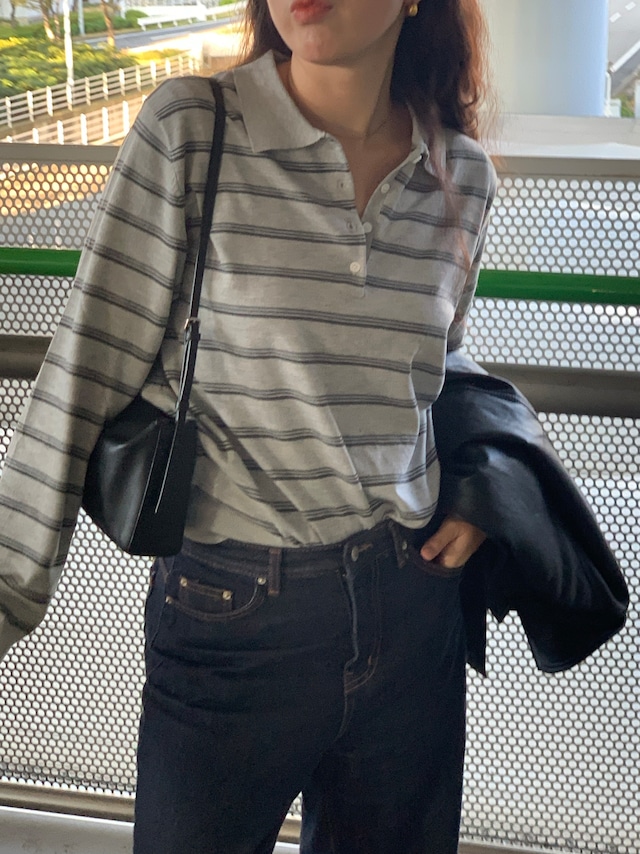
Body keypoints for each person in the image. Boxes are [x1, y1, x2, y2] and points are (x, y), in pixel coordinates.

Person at [0, 1, 498, 851]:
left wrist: (482, 491)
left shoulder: (463, 176)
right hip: (231, 614)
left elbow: (436, 373)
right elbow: (83, 372)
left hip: (411, 610)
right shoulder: (193, 131)